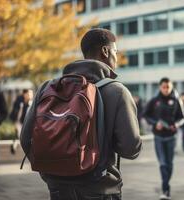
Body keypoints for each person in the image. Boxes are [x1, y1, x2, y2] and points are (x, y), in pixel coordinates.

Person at [20, 28, 142, 200]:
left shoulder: (47, 88)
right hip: (100, 189)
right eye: (116, 51)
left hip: (57, 189)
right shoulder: (116, 91)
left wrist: (52, 174)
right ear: (105, 51)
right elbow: (131, 148)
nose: (117, 56)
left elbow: (26, 139)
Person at [144, 77, 184, 200]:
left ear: (171, 87)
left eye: (168, 87)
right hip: (158, 137)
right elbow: (146, 115)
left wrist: (177, 124)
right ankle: (165, 189)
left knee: (169, 164)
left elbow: (183, 117)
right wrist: (155, 123)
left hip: (171, 137)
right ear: (160, 87)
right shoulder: (154, 100)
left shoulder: (177, 100)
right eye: (164, 87)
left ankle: (166, 187)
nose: (166, 89)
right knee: (162, 164)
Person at [9, 89, 33, 154]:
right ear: (24, 95)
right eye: (28, 94)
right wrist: (15, 122)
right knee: (19, 135)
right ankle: (14, 145)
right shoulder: (19, 102)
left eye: (31, 94)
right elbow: (14, 113)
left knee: (24, 137)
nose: (30, 95)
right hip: (19, 122)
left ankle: (16, 145)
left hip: (29, 124)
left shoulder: (33, 104)